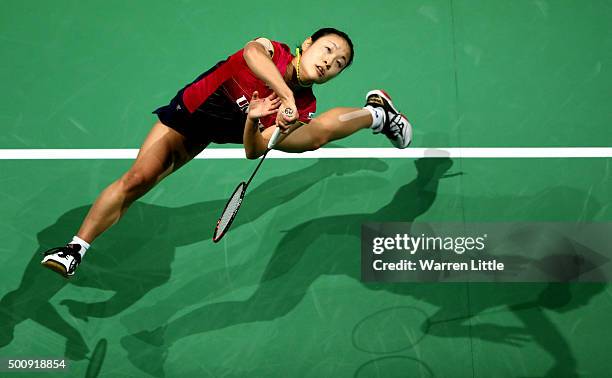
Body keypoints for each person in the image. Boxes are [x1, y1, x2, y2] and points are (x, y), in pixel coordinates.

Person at [41, 27, 412, 277]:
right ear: (307, 43)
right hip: (187, 120)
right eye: (328, 49)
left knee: (314, 137)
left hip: (234, 126)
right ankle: (74, 249)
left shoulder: (302, 105)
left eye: (339, 64)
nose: (330, 61)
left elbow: (253, 152)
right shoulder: (273, 50)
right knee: (139, 179)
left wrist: (256, 121)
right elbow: (252, 54)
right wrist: (281, 96)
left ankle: (375, 114)